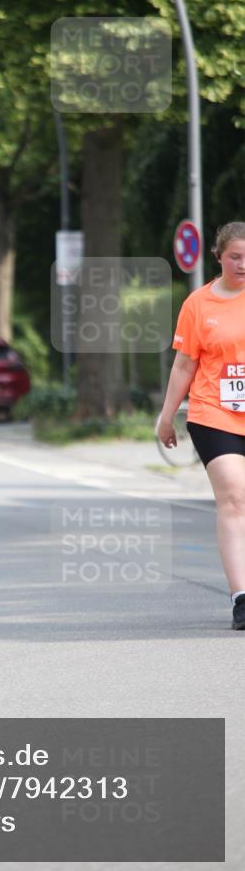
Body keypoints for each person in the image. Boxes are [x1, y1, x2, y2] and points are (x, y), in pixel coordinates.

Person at [157, 221, 245, 630]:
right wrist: (167, 416)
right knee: (233, 497)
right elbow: (184, 364)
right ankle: (241, 597)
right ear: (218, 256)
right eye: (235, 257)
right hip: (215, 412)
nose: (242, 264)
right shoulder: (199, 304)